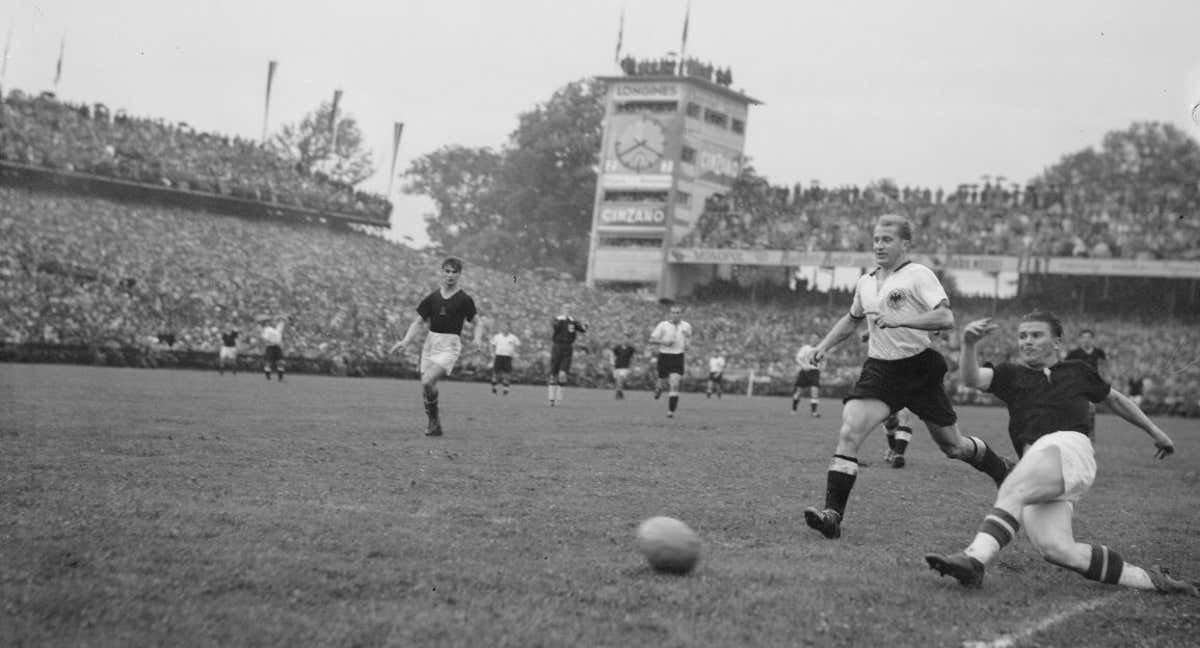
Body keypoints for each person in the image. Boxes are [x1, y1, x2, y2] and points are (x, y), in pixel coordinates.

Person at [925, 312, 1196, 596]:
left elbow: (1115, 399)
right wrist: (969, 344)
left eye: (1036, 335)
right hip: (1039, 468)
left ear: (1057, 341)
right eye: (1023, 336)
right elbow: (971, 378)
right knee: (1057, 549)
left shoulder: (1077, 370)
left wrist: (1155, 431)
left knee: (1013, 486)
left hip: (1070, 450)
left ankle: (975, 559)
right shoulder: (1011, 374)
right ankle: (1150, 580)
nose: (1027, 341)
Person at [800, 214, 1012, 540]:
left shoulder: (918, 275)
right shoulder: (866, 281)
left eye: (887, 239)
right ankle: (832, 515)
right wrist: (823, 346)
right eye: (876, 239)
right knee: (850, 430)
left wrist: (903, 323)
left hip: (919, 370)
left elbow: (946, 316)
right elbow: (852, 318)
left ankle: (1002, 470)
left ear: (905, 244)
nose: (879, 245)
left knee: (953, 447)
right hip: (880, 370)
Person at [390, 257, 478, 437]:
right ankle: (434, 424)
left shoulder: (464, 299)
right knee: (428, 386)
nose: (450, 275)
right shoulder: (432, 298)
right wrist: (406, 341)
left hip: (450, 345)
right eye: (447, 271)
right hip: (431, 343)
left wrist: (478, 339)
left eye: (454, 272)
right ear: (441, 272)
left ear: (460, 275)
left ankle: (433, 421)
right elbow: (418, 322)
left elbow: (479, 323)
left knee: (427, 381)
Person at [649, 304, 693, 418]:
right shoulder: (663, 325)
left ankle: (670, 411)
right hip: (664, 356)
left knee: (674, 383)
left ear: (681, 314)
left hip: (678, 357)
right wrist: (664, 342)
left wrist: (687, 343)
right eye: (673, 312)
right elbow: (651, 339)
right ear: (670, 314)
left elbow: (688, 343)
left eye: (678, 312)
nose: (675, 315)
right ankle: (658, 388)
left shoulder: (687, 326)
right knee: (662, 381)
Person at [1065, 328, 1108, 433]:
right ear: (1080, 339)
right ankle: (1076, 430)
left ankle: (1090, 431)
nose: (1086, 340)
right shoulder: (1074, 353)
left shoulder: (1099, 352)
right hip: (1077, 384)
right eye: (1084, 337)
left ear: (1093, 339)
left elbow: (1104, 367)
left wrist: (1104, 378)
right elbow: (1066, 367)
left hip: (1093, 384)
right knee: (1078, 408)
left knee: (1091, 408)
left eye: (1088, 337)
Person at [548, 304, 587, 406]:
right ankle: (551, 398)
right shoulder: (557, 319)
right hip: (557, 347)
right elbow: (555, 326)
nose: (567, 310)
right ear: (561, 310)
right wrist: (562, 320)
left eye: (569, 309)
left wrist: (586, 324)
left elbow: (583, 330)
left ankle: (558, 399)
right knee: (553, 375)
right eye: (565, 308)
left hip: (568, 348)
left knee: (562, 374)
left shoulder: (573, 321)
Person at [791, 334, 823, 417]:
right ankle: (794, 409)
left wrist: (821, 368)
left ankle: (814, 412)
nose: (815, 340)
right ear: (810, 339)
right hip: (805, 371)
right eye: (813, 338)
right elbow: (798, 358)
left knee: (814, 391)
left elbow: (823, 360)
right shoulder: (805, 348)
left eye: (816, 339)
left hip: (815, 372)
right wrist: (803, 366)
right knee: (799, 392)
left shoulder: (820, 349)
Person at [489, 322, 520, 396]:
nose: (505, 328)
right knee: (495, 374)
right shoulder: (497, 336)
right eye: (504, 327)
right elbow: (491, 344)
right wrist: (492, 353)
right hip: (499, 356)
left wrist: (516, 354)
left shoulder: (513, 337)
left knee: (507, 374)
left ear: (509, 328)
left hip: (508, 357)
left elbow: (518, 346)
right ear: (502, 328)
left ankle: (505, 390)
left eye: (506, 327)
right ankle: (494, 389)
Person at [611, 334, 637, 400]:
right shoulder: (617, 348)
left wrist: (632, 367)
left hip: (626, 368)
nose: (625, 340)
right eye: (623, 338)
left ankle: (618, 393)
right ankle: (620, 393)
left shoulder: (631, 349)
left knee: (620, 378)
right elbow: (612, 356)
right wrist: (612, 364)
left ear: (628, 340)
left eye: (626, 339)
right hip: (617, 367)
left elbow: (634, 358)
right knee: (618, 381)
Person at [260, 317, 287, 381]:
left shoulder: (278, 328)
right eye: (273, 321)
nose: (274, 322)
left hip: (277, 347)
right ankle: (268, 377)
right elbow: (264, 339)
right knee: (268, 363)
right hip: (270, 347)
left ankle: (280, 378)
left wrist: (281, 317)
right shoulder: (267, 329)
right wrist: (271, 341)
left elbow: (284, 320)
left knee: (281, 362)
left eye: (275, 321)